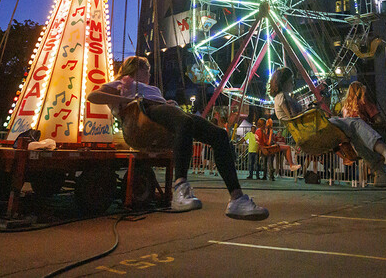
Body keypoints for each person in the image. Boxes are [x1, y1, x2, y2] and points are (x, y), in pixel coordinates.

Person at [88, 56, 267, 220]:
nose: (149, 75)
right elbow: (93, 96)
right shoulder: (123, 83)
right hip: (144, 112)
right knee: (184, 121)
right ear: (136, 69)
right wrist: (124, 100)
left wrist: (167, 103)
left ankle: (237, 199)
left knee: (219, 134)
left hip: (164, 112)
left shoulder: (152, 88)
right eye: (146, 71)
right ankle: (180, 188)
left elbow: (165, 108)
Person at [268, 67, 386, 188]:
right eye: (291, 80)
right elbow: (296, 117)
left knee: (354, 134)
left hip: (309, 129)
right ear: (284, 81)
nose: (293, 83)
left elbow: (295, 116)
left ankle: (379, 173)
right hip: (311, 130)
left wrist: (312, 108)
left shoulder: (280, 98)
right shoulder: (283, 97)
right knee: (355, 122)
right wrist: (312, 110)